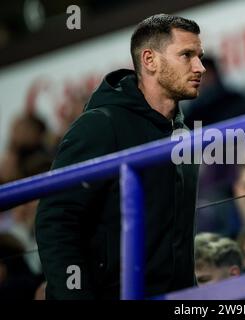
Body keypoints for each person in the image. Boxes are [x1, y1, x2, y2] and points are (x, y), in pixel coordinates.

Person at [35, 14, 206, 299]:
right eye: (186, 55)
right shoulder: (101, 125)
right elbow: (56, 220)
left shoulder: (184, 134)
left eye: (199, 56)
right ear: (150, 60)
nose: (199, 66)